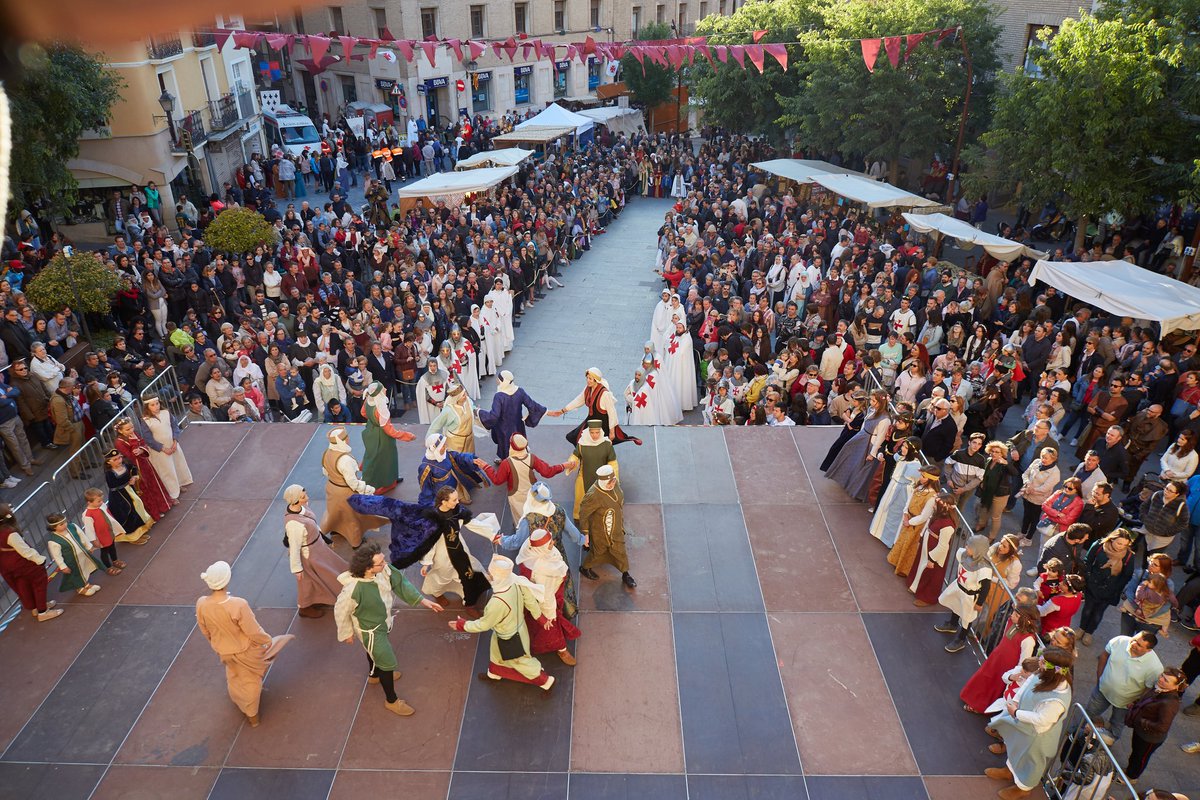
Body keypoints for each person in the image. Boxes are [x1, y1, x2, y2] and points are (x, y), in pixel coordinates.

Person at [335, 541, 445, 716]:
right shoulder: (353, 590)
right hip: (370, 630)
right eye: (380, 563)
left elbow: (400, 583)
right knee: (386, 661)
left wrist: (424, 601)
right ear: (368, 568)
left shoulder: (383, 571)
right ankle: (392, 701)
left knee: (374, 654)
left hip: (383, 621)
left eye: (383, 560)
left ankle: (374, 676)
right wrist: (346, 633)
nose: (385, 564)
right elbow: (340, 610)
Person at [195, 560, 293, 726]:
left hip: (223, 650)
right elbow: (253, 631)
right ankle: (252, 715)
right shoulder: (238, 604)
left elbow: (205, 630)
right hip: (244, 650)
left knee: (234, 674)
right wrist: (268, 641)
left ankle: (236, 697)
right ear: (227, 580)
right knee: (251, 681)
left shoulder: (202, 603)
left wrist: (216, 644)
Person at [449, 554, 555, 690]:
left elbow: (484, 624)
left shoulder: (496, 603)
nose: (489, 575)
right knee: (496, 652)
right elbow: (529, 600)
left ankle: (546, 681)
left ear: (497, 578)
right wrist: (540, 618)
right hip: (518, 630)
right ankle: (494, 673)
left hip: (509, 638)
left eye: (491, 574)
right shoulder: (515, 581)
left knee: (521, 662)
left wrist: (462, 625)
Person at [985, 646, 1075, 800]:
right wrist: (1015, 701)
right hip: (1024, 725)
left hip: (1037, 735)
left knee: (1030, 763)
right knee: (1016, 749)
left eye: (1042, 661)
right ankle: (1009, 771)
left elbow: (1042, 719)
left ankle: (1023, 788)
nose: (1039, 662)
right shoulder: (1044, 673)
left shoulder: (1057, 699)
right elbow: (1028, 684)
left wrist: (1016, 713)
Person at [497, 483, 587, 618]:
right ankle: (567, 610)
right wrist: (582, 539)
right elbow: (572, 532)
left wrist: (501, 540)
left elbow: (517, 541)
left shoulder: (529, 520)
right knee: (562, 580)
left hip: (537, 561)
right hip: (557, 554)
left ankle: (546, 614)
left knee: (543, 587)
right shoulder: (558, 510)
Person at [417, 487, 493, 610]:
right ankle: (437, 593)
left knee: (468, 573)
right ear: (444, 502)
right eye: (454, 500)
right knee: (442, 577)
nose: (458, 502)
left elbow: (473, 523)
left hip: (460, 549)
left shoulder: (458, 511)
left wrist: (493, 535)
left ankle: (469, 602)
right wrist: (426, 562)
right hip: (443, 556)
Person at [516, 527, 581, 665]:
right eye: (550, 543)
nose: (553, 543)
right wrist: (549, 616)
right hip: (545, 600)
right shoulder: (542, 570)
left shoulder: (530, 549)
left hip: (537, 594)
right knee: (551, 628)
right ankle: (561, 649)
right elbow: (546, 595)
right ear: (543, 548)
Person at [1087, 631, 1165, 745]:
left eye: (1139, 645)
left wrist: (1136, 702)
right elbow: (1104, 655)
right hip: (1102, 690)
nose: (1133, 644)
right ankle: (1077, 734)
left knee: (1116, 726)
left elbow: (1149, 689)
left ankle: (1104, 747)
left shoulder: (1155, 667)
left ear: (1148, 650)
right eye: (1134, 639)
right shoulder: (1119, 641)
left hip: (1125, 704)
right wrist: (1100, 676)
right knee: (1089, 714)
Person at [282, 484, 348, 619]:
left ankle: (318, 598)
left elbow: (313, 526)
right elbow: (294, 548)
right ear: (295, 500)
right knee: (307, 581)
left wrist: (325, 540)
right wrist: (297, 569)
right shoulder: (294, 524)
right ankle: (304, 606)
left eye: (305, 494)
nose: (307, 497)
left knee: (321, 575)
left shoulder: (301, 509)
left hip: (317, 547)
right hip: (310, 554)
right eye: (303, 496)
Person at [479, 433, 571, 529]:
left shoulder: (506, 463)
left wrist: (486, 467)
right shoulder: (532, 458)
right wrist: (563, 466)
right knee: (535, 516)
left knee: (520, 520)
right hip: (533, 494)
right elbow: (547, 472)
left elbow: (497, 480)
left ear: (511, 446)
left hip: (515, 496)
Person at [960, 605, 1041, 714]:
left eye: (1016, 615)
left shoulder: (1028, 640)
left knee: (993, 686)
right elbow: (1004, 639)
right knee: (984, 677)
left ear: (1025, 620)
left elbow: (1024, 661)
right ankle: (971, 697)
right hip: (996, 657)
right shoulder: (1011, 622)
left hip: (1007, 667)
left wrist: (1015, 675)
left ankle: (980, 707)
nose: (1012, 615)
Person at [320, 427, 386, 548]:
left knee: (334, 512)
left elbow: (325, 472)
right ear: (343, 441)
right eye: (346, 437)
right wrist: (368, 489)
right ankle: (356, 542)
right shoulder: (345, 460)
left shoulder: (327, 453)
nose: (348, 439)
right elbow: (353, 483)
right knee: (351, 516)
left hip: (331, 488)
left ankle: (335, 529)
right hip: (345, 491)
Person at [547, 367, 642, 447]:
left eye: (590, 379)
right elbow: (578, 400)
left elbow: (612, 412)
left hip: (603, 425)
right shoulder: (588, 389)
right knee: (574, 437)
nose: (588, 380)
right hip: (591, 421)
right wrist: (562, 411)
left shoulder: (605, 394)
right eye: (587, 378)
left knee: (596, 445)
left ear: (596, 380)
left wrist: (612, 431)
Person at [825, 390, 892, 501]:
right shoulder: (872, 410)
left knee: (862, 468)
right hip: (862, 437)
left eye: (873, 400)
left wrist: (872, 453)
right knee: (849, 458)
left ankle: (857, 491)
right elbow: (865, 424)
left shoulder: (885, 420)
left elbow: (880, 438)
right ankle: (845, 481)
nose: (870, 402)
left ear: (880, 402)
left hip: (870, 443)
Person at [1124, 667, 1188, 780]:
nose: (1161, 679)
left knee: (1140, 757)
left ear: (1175, 687)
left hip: (1149, 738)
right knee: (1135, 752)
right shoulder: (1159, 688)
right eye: (1162, 675)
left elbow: (1163, 727)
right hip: (1140, 730)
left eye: (1166, 680)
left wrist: (1142, 721)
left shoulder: (1169, 704)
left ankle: (1131, 777)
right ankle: (1129, 770)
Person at [577, 464, 636, 588]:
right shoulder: (593, 495)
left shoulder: (615, 485)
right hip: (600, 531)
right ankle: (585, 568)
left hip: (616, 528)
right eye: (609, 482)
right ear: (603, 482)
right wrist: (585, 534)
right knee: (598, 552)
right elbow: (584, 513)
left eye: (613, 480)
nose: (612, 484)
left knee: (620, 551)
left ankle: (625, 574)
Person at [0, 503, 61, 621]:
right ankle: (43, 612)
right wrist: (39, 560)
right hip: (22, 564)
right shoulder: (10, 533)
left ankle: (36, 607)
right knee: (39, 584)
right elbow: (25, 551)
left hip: (7, 566)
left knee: (24, 586)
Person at [1079, 528, 1138, 646]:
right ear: (1112, 539)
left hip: (1110, 590)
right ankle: (1081, 629)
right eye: (1119, 543)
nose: (1121, 547)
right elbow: (1087, 561)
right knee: (1087, 609)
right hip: (1092, 584)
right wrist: (1089, 578)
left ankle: (1089, 632)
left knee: (1098, 613)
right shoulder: (1099, 545)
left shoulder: (1129, 556)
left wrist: (1114, 589)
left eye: (1125, 545)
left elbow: (1126, 575)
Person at [935, 534, 994, 653]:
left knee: (967, 618)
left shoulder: (984, 568)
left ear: (978, 550)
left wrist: (979, 603)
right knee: (956, 606)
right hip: (959, 587)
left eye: (970, 546)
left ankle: (961, 639)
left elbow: (986, 587)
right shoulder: (963, 554)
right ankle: (952, 624)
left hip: (969, 595)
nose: (966, 547)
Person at [886, 464, 942, 577]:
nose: (921, 478)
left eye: (924, 477)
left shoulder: (932, 496)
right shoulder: (919, 487)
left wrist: (910, 522)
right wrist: (906, 513)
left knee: (910, 546)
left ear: (931, 479)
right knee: (902, 541)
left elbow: (924, 516)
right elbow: (909, 501)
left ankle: (903, 569)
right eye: (921, 475)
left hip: (916, 525)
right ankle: (896, 561)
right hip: (909, 519)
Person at [478, 370, 548, 459]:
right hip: (518, 424)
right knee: (518, 441)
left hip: (504, 427)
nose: (497, 380)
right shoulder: (519, 391)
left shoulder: (499, 396)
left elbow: (494, 416)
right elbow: (532, 405)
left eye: (499, 378)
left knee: (506, 445)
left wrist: (480, 412)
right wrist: (545, 411)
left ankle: (507, 464)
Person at [360, 381, 415, 493]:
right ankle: (384, 483)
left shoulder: (369, 401)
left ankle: (390, 479)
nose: (385, 389)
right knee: (385, 460)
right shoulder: (381, 409)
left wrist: (373, 421)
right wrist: (407, 436)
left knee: (374, 457)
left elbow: (363, 413)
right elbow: (390, 431)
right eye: (383, 388)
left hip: (371, 432)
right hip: (383, 437)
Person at [114, 418, 173, 519]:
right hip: (136, 469)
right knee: (145, 490)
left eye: (132, 427)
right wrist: (133, 443)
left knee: (154, 484)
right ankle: (153, 514)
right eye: (127, 429)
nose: (131, 430)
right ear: (120, 431)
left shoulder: (133, 434)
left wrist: (142, 450)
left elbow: (142, 443)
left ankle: (163, 505)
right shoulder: (119, 443)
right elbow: (130, 457)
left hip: (145, 464)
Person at [907, 492, 959, 607]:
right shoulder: (938, 516)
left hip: (935, 552)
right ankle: (916, 586)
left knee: (931, 574)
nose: (933, 506)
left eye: (936, 505)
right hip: (928, 545)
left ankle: (927, 598)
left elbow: (943, 546)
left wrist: (932, 559)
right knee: (921, 566)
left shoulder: (948, 525)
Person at [869, 436, 923, 545]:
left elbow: (915, 481)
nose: (902, 448)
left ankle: (889, 539)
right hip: (893, 487)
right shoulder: (902, 457)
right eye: (903, 446)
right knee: (884, 509)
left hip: (902, 492)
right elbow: (895, 457)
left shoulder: (915, 465)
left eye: (906, 447)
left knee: (894, 515)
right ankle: (878, 532)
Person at [138, 396, 193, 501]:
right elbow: (148, 439)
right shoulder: (146, 420)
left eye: (157, 403)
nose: (156, 406)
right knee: (166, 471)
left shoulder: (166, 413)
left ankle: (179, 484)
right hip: (160, 450)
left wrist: (175, 441)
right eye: (152, 405)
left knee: (177, 464)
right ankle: (172, 493)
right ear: (147, 407)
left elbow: (174, 427)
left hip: (172, 444)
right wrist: (163, 448)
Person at [567, 419, 619, 519]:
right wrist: (572, 462)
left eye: (597, 432)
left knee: (602, 499)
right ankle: (579, 516)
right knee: (580, 498)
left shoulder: (607, 445)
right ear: (588, 431)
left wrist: (613, 477)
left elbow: (613, 462)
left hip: (601, 478)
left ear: (600, 431)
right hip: (584, 476)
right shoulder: (582, 444)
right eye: (592, 432)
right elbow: (575, 456)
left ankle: (601, 517)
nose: (595, 435)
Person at [417, 433, 486, 506]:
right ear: (435, 448)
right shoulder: (425, 467)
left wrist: (471, 459)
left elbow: (458, 457)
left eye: (444, 444)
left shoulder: (445, 454)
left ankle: (459, 496)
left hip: (453, 484)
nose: (445, 447)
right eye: (442, 446)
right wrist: (427, 505)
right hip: (442, 493)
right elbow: (425, 488)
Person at [102, 449, 154, 544]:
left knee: (136, 510)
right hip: (120, 498)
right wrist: (127, 481)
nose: (119, 461)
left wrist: (134, 477)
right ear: (109, 462)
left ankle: (139, 532)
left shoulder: (125, 465)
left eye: (119, 458)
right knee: (128, 515)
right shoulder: (110, 473)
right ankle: (132, 537)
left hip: (130, 492)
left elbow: (133, 467)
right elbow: (113, 485)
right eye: (115, 459)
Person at [45, 512, 103, 596]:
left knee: (83, 570)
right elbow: (57, 556)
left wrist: (88, 546)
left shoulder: (73, 527)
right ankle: (79, 588)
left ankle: (86, 585)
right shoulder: (53, 541)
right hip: (71, 561)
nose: (65, 525)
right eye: (61, 524)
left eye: (65, 522)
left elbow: (82, 536)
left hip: (82, 556)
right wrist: (63, 566)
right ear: (53, 527)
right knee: (75, 574)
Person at [1015, 447, 1061, 545]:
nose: (1043, 459)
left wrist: (1029, 490)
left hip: (1039, 499)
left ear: (1053, 459)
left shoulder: (1055, 473)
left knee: (1034, 518)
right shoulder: (1036, 462)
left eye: (1046, 458)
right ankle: (1022, 533)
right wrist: (1027, 483)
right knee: (1026, 514)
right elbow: (1025, 474)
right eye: (1042, 456)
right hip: (1027, 495)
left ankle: (1028, 539)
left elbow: (1045, 488)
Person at [975, 441, 1020, 541]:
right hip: (987, 491)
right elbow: (985, 473)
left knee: (995, 516)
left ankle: (992, 536)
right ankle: (982, 523)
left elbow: (1015, 473)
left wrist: (1007, 464)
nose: (994, 453)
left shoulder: (1004, 464)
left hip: (1000, 494)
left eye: (997, 452)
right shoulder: (989, 460)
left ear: (1002, 454)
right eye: (993, 451)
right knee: (983, 507)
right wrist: (983, 482)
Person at [80, 487, 126, 575]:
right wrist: (94, 540)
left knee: (112, 547)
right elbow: (89, 530)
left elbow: (108, 516)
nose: (101, 502)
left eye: (101, 500)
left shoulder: (101, 505)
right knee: (104, 551)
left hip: (108, 532)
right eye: (98, 501)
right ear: (89, 502)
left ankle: (115, 560)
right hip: (100, 537)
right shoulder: (88, 515)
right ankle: (108, 567)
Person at [429, 384, 478, 458]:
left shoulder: (468, 401)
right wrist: (429, 441)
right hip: (455, 444)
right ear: (457, 398)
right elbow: (436, 425)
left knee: (469, 462)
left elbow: (473, 408)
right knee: (457, 464)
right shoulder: (449, 411)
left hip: (469, 441)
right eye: (463, 395)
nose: (466, 395)